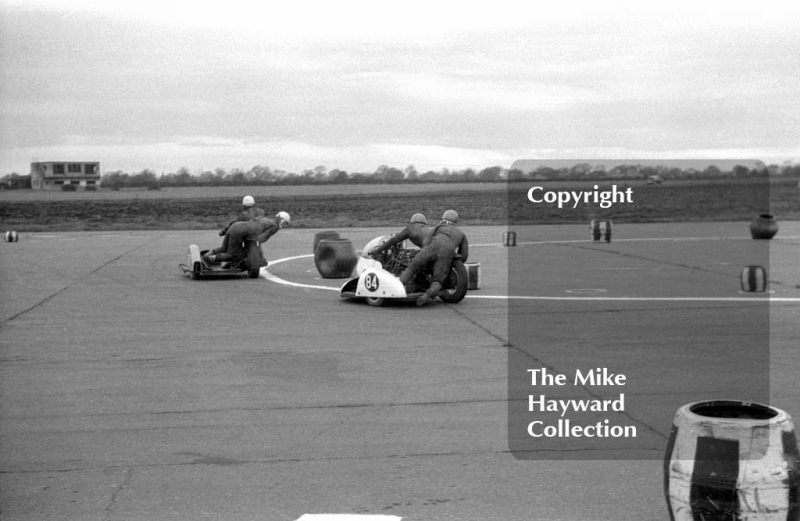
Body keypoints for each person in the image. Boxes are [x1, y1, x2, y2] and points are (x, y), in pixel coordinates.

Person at [398, 209, 469, 306]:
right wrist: (455, 263)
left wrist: (425, 252)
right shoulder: (461, 233)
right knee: (438, 280)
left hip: (432, 247)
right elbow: (464, 254)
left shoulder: (439, 227)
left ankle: (399, 285)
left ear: (444, 218)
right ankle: (428, 294)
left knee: (413, 266)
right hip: (447, 252)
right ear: (456, 221)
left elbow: (427, 241)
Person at [204, 211, 290, 266]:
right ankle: (207, 259)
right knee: (232, 255)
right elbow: (263, 237)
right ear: (280, 219)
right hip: (238, 231)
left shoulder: (265, 219)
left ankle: (205, 255)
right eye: (285, 223)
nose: (284, 225)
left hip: (235, 226)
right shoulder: (274, 226)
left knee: (224, 248)